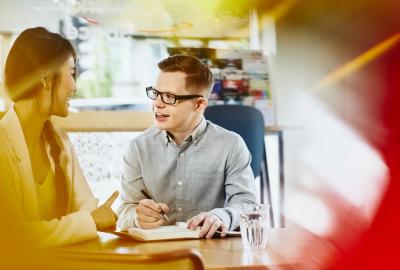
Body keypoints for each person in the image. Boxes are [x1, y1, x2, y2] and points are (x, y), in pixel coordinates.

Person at [0, 27, 118, 248]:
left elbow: (86, 208)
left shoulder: (60, 141)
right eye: (72, 74)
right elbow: (12, 235)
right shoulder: (3, 143)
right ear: (45, 79)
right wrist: (89, 221)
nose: (75, 87)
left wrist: (100, 217)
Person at [118, 54, 257, 238]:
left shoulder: (231, 145)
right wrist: (138, 217)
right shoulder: (138, 148)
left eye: (169, 96)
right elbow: (125, 210)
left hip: (212, 251)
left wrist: (221, 216)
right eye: (156, 93)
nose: (157, 104)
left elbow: (246, 203)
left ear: (199, 104)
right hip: (157, 257)